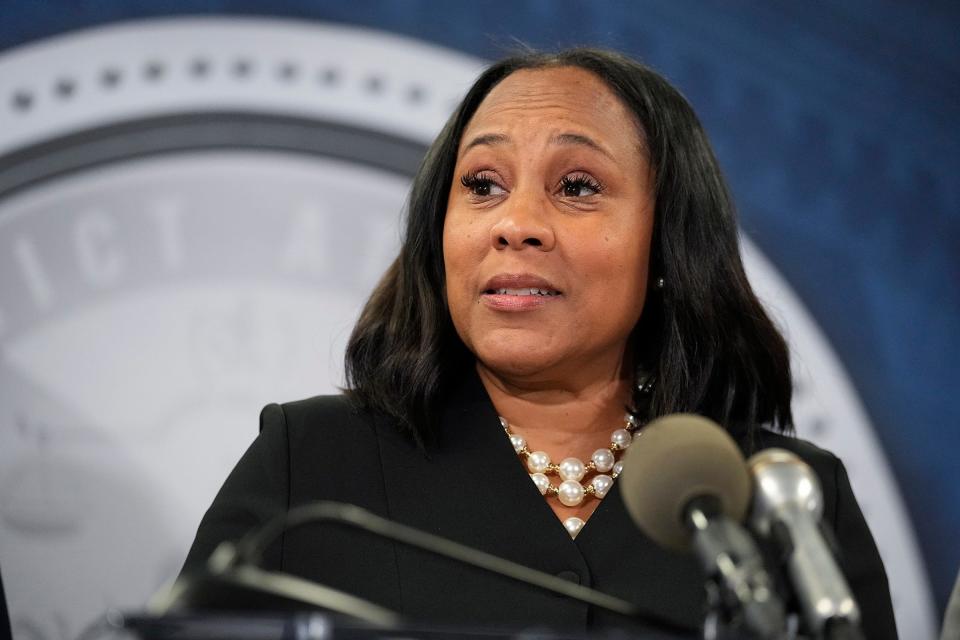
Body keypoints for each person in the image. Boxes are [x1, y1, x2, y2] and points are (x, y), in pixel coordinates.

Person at [182, 48, 897, 638]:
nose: (516, 223)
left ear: (669, 245)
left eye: (578, 185)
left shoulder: (784, 500)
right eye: (483, 185)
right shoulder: (311, 464)